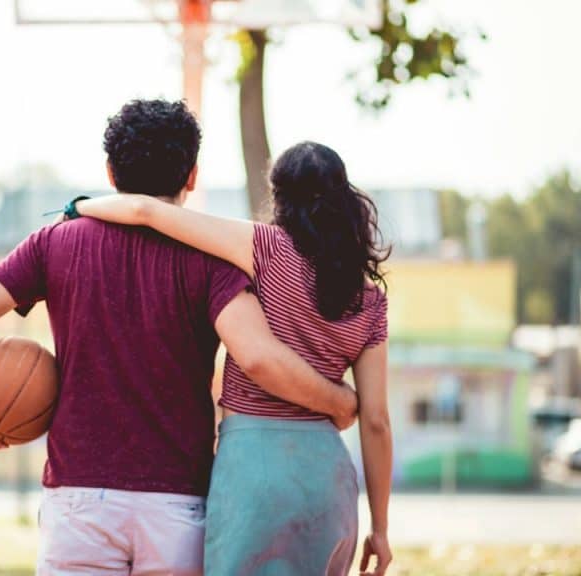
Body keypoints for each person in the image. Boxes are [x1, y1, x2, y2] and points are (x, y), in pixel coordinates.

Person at [0, 100, 357, 576]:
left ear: (110, 173)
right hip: (177, 502)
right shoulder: (210, 259)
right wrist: (340, 400)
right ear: (192, 176)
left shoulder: (54, 242)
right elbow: (259, 358)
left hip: (78, 499)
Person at [74, 140, 393, 576]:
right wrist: (381, 527)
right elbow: (375, 421)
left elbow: (148, 212)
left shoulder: (264, 247)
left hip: (253, 468)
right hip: (329, 478)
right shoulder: (370, 300)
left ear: (277, 195)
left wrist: (80, 207)